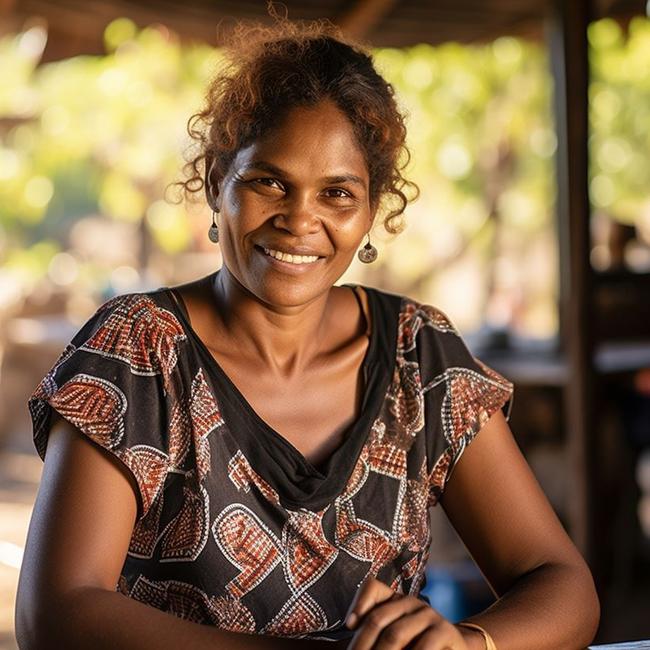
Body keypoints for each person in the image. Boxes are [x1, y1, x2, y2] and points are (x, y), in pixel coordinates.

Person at [15, 19, 599, 650]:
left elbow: (563, 584)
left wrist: (469, 643)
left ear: (372, 212)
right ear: (218, 183)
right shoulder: (141, 351)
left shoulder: (417, 357)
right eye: (269, 182)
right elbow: (56, 615)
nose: (300, 220)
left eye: (338, 194)